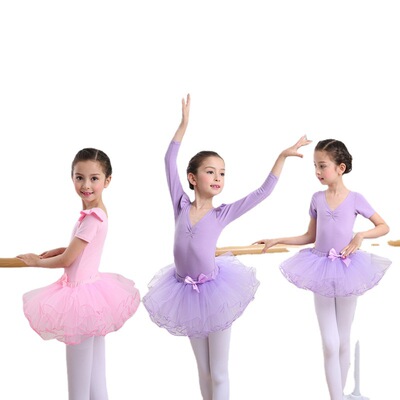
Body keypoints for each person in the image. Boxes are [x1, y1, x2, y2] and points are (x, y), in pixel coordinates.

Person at [142, 94, 311, 400]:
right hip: (183, 292)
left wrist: (282, 157)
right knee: (203, 370)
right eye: (210, 171)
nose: (218, 177)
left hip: (215, 292)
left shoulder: (222, 214)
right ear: (192, 178)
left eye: (222, 173)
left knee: (218, 371)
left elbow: (262, 192)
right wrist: (184, 125)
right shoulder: (180, 205)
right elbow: (168, 160)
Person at [254, 138, 391, 400]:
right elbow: (310, 236)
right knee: (330, 342)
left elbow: (383, 226)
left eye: (322, 166)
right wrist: (277, 239)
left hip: (349, 268)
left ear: (340, 168)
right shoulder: (317, 199)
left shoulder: (356, 199)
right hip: (320, 269)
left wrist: (360, 235)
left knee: (343, 338)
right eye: (315, 166)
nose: (317, 171)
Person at [17, 148, 140, 400]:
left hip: (80, 301)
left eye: (94, 178)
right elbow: (80, 250)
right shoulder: (97, 213)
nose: (86, 185)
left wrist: (35, 262)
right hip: (92, 296)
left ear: (107, 180)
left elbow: (69, 260)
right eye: (79, 177)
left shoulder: (92, 218)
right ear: (71, 177)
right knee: (95, 379)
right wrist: (60, 249)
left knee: (79, 387)